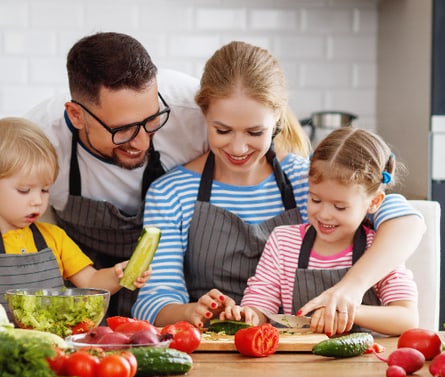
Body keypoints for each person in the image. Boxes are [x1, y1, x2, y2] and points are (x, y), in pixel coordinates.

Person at [132, 41, 424, 335]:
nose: (237, 147)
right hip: (213, 351)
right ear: (204, 116)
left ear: (277, 120)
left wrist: (350, 290)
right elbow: (151, 303)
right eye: (222, 130)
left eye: (255, 132)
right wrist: (191, 311)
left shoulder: (309, 181)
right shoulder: (171, 193)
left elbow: (407, 222)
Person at [25, 32, 208, 318]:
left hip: (177, 279)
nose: (142, 142)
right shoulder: (40, 139)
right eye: (122, 130)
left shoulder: (194, 108)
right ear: (75, 115)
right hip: (87, 281)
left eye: (151, 121)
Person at [224, 127, 418, 336]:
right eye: (315, 199)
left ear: (374, 202)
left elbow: (406, 319)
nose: (324, 215)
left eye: (339, 207)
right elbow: (260, 305)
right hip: (295, 363)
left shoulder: (379, 250)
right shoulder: (283, 242)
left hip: (367, 363)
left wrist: (344, 309)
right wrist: (247, 315)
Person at [0, 117, 151, 321]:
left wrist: (120, 275)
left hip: (52, 345)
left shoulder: (54, 237)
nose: (37, 201)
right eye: (24, 190)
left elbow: (91, 280)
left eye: (45, 190)